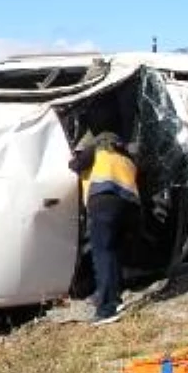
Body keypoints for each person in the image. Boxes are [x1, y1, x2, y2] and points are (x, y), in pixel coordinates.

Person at [68, 127, 139, 325]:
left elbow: (74, 165)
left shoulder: (98, 150)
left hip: (105, 203)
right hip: (131, 207)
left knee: (103, 255)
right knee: (113, 252)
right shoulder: (126, 158)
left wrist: (75, 153)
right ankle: (114, 297)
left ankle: (107, 309)